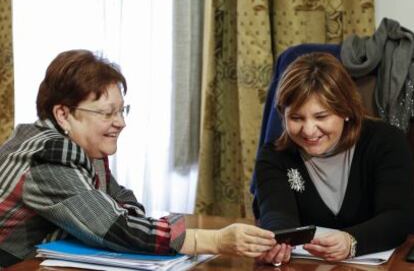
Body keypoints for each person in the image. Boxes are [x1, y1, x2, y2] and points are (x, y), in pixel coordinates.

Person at [0, 50, 276, 267]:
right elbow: (114, 226)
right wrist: (215, 240)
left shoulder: (83, 147)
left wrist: (115, 223)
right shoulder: (50, 155)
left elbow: (123, 203)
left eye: (122, 111)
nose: (120, 123)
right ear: (63, 114)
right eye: (107, 113)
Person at [255, 52, 414, 266]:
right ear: (282, 115)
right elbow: (276, 212)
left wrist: (352, 242)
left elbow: (397, 217)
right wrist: (276, 242)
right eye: (296, 118)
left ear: (346, 110)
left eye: (321, 116)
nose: (309, 130)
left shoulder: (386, 141)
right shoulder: (274, 155)